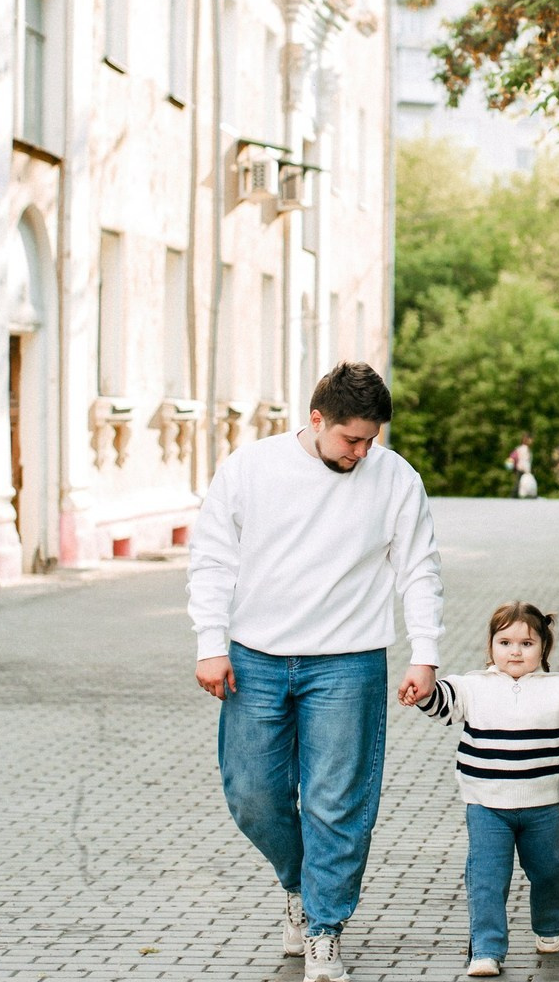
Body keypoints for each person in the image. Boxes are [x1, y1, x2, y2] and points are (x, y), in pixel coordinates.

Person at [187, 361, 444, 982]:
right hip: (254, 656)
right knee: (252, 793)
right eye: (350, 439)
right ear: (315, 420)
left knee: (337, 802)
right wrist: (209, 641)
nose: (361, 451)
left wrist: (425, 652)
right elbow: (213, 556)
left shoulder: (395, 479)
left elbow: (420, 569)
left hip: (349, 661)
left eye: (371, 439)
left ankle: (324, 926)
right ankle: (300, 883)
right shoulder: (252, 468)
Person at [404, 600, 559, 977]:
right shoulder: (472, 686)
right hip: (486, 807)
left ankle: (550, 925)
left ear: (543, 648)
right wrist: (421, 691)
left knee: (549, 871)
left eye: (527, 643)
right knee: (487, 877)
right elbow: (441, 700)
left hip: (542, 808)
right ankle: (487, 950)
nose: (515, 651)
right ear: (491, 646)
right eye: (505, 642)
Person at [506, 433, 536, 498]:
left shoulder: (525, 449)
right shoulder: (521, 449)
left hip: (525, 470)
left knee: (523, 483)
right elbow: (512, 458)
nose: (532, 441)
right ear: (527, 440)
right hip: (521, 469)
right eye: (531, 439)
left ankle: (531, 496)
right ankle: (513, 496)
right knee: (518, 484)